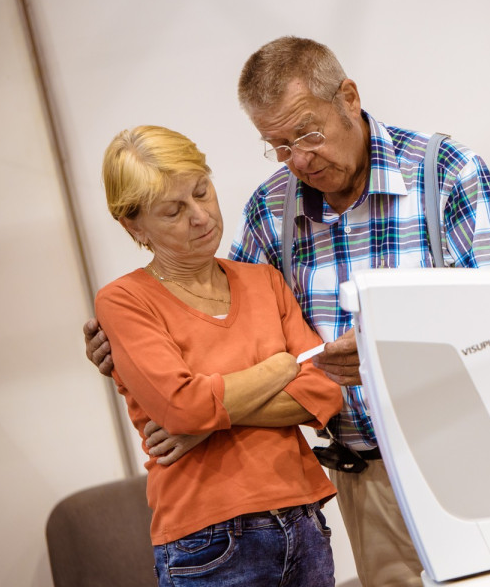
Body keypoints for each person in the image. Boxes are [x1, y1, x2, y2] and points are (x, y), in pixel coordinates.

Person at [86, 36, 490, 586]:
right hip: (361, 480)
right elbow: (226, 338)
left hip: (468, 458)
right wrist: (132, 354)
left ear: (349, 97)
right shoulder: (274, 208)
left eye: (308, 134)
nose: (299, 159)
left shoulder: (445, 175)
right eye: (278, 145)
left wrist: (207, 416)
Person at [93, 125, 343, 586]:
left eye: (202, 192)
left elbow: (324, 390)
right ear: (133, 225)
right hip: (208, 536)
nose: (200, 216)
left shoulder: (262, 281)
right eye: (173, 211)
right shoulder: (124, 301)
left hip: (302, 519)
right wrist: (279, 367)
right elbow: (181, 407)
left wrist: (207, 423)